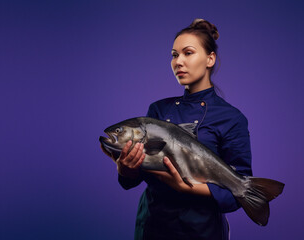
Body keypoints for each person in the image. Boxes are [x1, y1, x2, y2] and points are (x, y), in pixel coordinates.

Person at [104, 19, 253, 239]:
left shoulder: (231, 118)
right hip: (152, 226)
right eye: (174, 55)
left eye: (188, 53)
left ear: (210, 59)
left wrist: (187, 188)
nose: (178, 62)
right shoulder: (157, 109)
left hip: (201, 230)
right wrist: (126, 170)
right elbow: (136, 178)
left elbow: (238, 193)